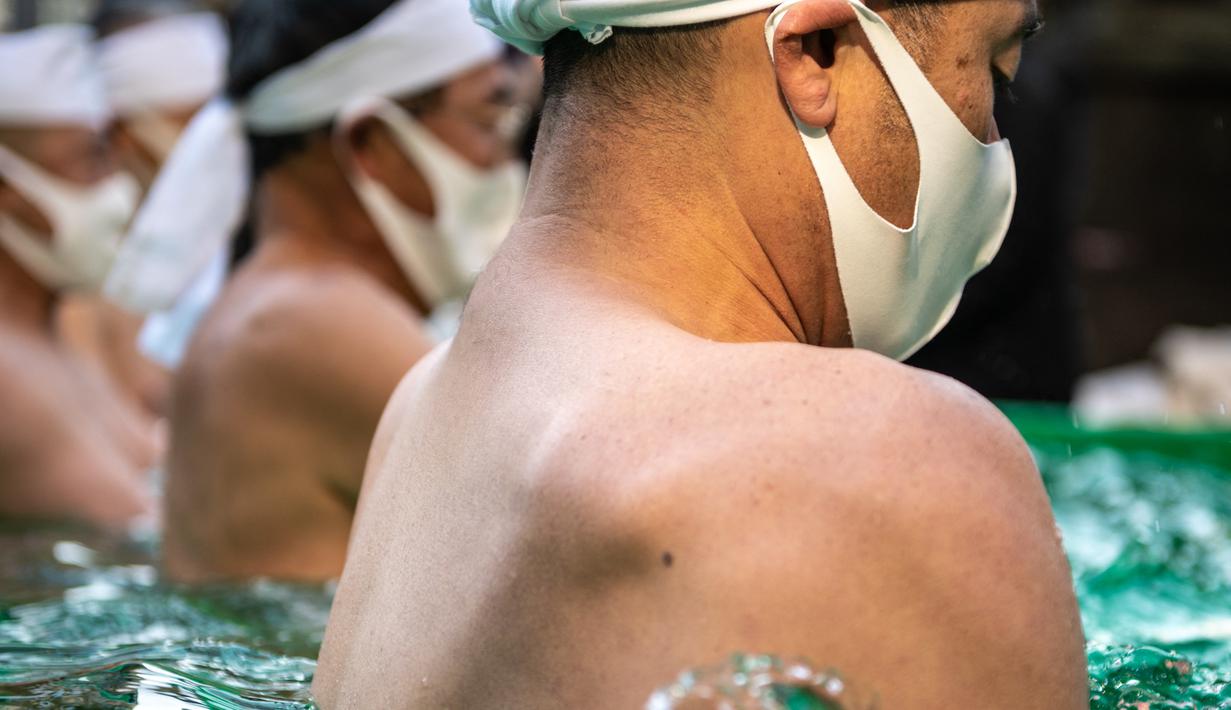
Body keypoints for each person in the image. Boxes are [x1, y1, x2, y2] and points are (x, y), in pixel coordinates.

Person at [315, 0, 1088, 707]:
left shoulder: (417, 412)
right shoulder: (880, 457)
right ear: (814, 52)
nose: (992, 136)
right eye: (994, 71)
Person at [149, 0, 529, 582]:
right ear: (369, 143)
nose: (503, 161)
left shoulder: (272, 304)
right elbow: (553, 535)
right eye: (486, 122)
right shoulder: (309, 321)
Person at [0, 25, 157, 529]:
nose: (117, 190)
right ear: (8, 190)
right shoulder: (7, 374)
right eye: (89, 161)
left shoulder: (58, 331)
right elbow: (135, 530)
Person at [55, 3, 230, 420]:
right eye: (192, 121)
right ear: (125, 135)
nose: (214, 140)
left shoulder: (228, 234)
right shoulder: (82, 272)